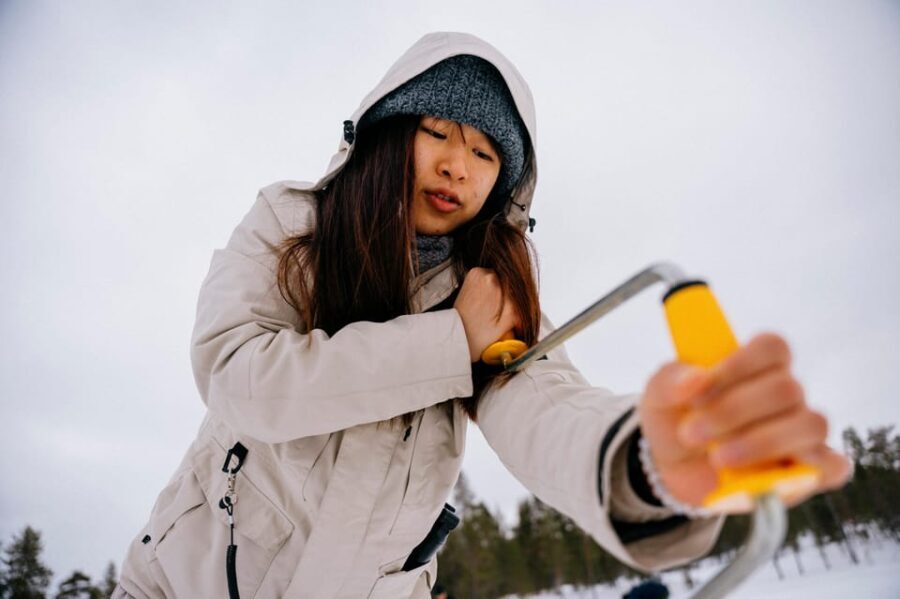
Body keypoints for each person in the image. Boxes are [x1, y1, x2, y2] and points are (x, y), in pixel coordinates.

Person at [113, 32, 850, 598]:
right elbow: (239, 378)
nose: (457, 165)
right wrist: (447, 343)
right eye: (438, 131)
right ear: (389, 130)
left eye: (485, 152)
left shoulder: (491, 290)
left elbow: (547, 406)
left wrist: (648, 462)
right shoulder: (294, 224)